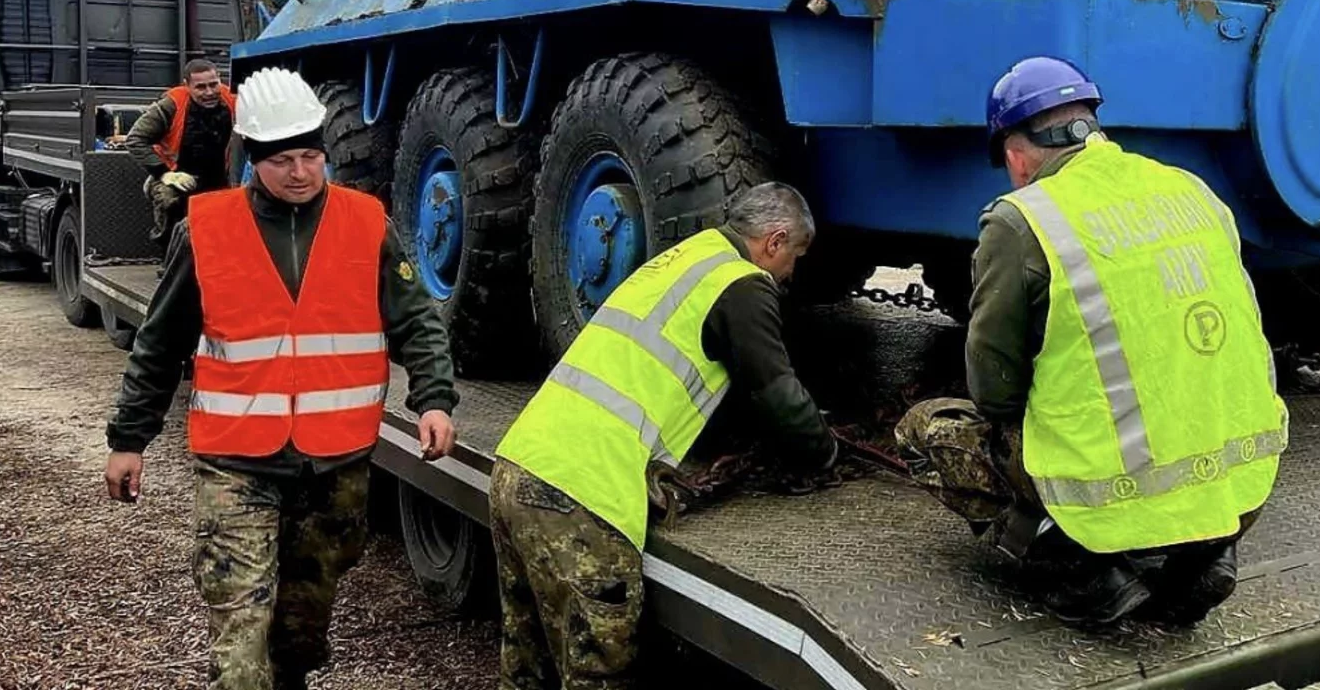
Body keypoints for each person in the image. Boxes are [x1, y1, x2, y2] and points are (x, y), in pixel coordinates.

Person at [895, 57, 1287, 627]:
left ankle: (1083, 572)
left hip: (1106, 496)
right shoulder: (1192, 190)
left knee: (928, 429)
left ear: (1014, 153)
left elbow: (995, 391)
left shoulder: (1023, 219)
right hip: (1241, 481)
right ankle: (1205, 553)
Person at [104, 66, 458, 690]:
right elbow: (159, 344)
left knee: (300, 633)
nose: (300, 173)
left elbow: (418, 325)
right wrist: (129, 440)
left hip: (334, 465)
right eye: (282, 161)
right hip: (236, 463)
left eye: (310, 157)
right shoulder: (204, 230)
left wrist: (433, 400)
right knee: (240, 646)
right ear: (251, 160)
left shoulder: (367, 223)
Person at [490, 182, 837, 690]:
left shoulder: (686, 256)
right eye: (795, 257)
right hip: (580, 499)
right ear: (775, 241)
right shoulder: (743, 283)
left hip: (516, 471)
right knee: (599, 673)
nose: (790, 273)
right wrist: (823, 452)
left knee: (526, 669)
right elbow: (776, 392)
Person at [126, 58, 237, 244]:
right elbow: (135, 140)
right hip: (177, 176)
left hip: (219, 178)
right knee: (168, 200)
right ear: (187, 85)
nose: (209, 92)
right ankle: (169, 258)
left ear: (220, 78)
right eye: (200, 87)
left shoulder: (232, 101)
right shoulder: (171, 105)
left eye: (213, 84)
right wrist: (164, 174)